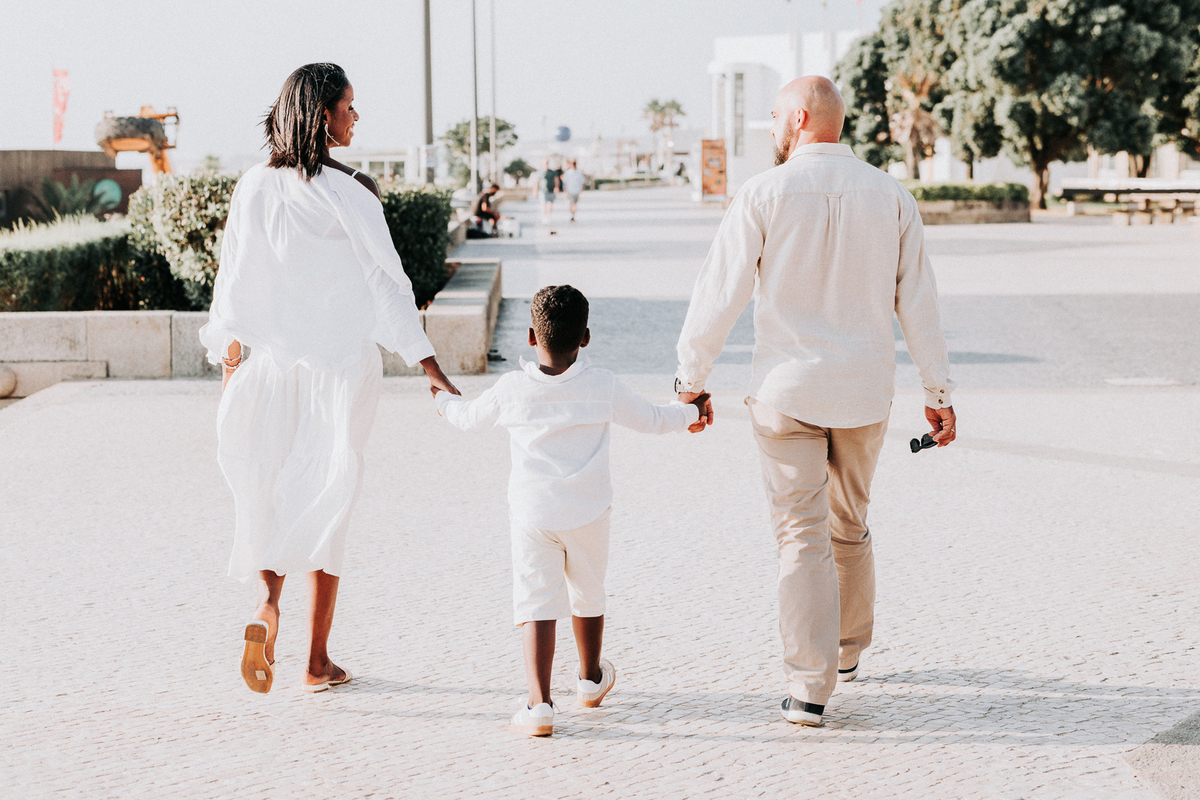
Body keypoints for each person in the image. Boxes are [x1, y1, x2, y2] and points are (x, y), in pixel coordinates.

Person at [674, 76, 957, 728]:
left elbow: (718, 291)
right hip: (864, 392)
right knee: (849, 523)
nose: (773, 124)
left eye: (777, 114)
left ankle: (809, 686)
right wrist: (937, 391)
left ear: (799, 117)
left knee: (801, 536)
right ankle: (848, 650)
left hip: (786, 392)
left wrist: (691, 378)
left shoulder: (762, 193)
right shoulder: (891, 195)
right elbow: (919, 302)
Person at [199, 63, 460, 695]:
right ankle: (317, 663)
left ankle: (267, 605)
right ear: (323, 115)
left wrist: (230, 371)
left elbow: (232, 288)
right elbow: (388, 287)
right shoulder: (352, 191)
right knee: (328, 500)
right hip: (339, 372)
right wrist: (431, 369)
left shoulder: (252, 186)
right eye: (349, 106)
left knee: (269, 489)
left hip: (270, 370)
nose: (356, 116)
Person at [434, 285, 711, 737]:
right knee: (588, 592)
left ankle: (539, 704)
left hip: (533, 515)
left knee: (536, 602)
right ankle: (589, 679)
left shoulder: (512, 388)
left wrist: (441, 399)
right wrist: (692, 411)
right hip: (589, 511)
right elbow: (653, 420)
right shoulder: (602, 385)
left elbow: (466, 418)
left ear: (530, 336)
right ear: (585, 337)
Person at [539, 159, 562, 224]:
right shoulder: (540, 172)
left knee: (550, 204)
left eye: (547, 163)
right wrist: (534, 190)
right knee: (543, 204)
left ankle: (548, 216)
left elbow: (556, 179)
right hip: (542, 190)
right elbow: (537, 181)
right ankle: (544, 216)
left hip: (551, 190)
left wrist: (556, 187)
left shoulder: (552, 172)